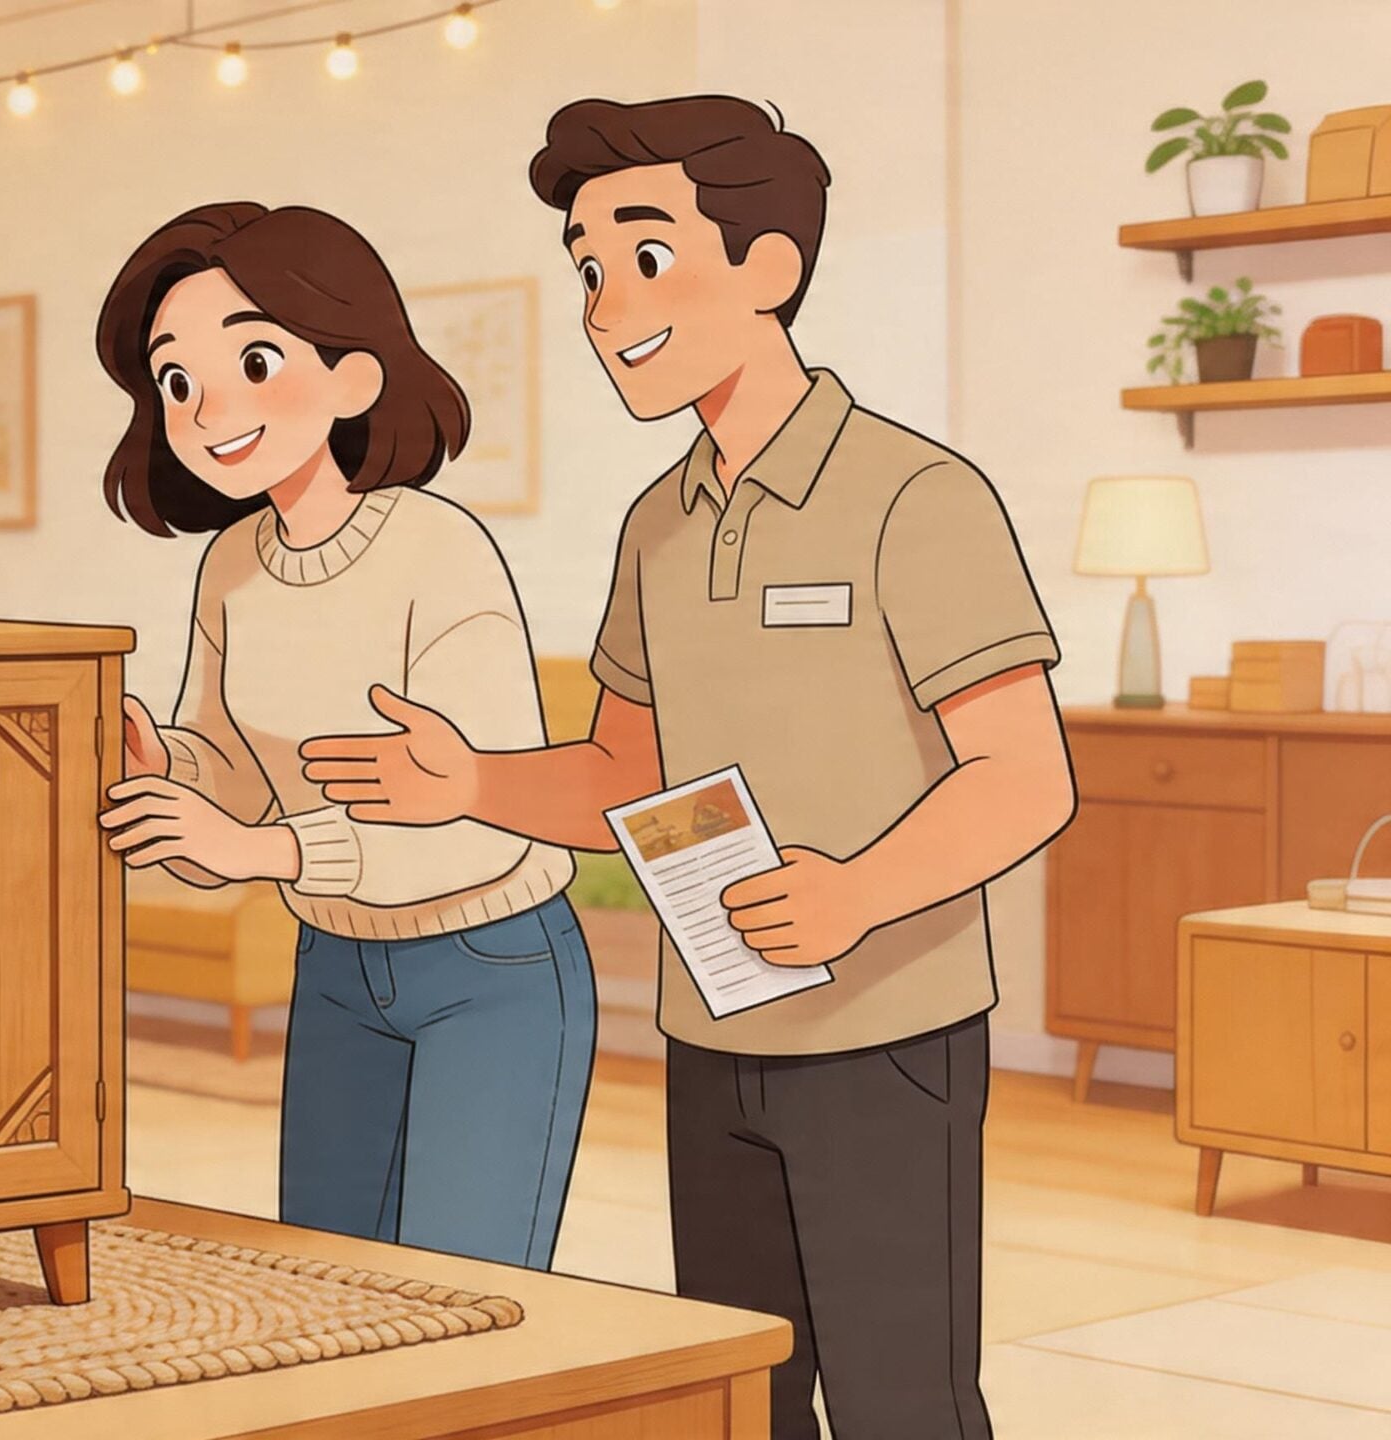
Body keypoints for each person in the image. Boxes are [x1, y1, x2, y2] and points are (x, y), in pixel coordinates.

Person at [297, 97, 1076, 1439]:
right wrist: (473, 782)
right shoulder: (657, 524)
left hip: (884, 1040)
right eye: (589, 271)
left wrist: (857, 892)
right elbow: (621, 770)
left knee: (905, 1402)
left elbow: (1025, 776)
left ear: (769, 269)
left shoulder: (914, 496)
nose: (606, 306)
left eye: (643, 259)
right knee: (738, 1398)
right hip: (712, 1037)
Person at [91, 201, 595, 1271]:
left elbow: (477, 820)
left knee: (467, 1296)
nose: (206, 405)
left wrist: (263, 850)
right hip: (333, 963)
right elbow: (227, 758)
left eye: (255, 361)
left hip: (487, 964)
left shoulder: (438, 551)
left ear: (354, 376)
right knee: (331, 1285)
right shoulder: (230, 563)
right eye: (176, 380)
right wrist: (163, 762)